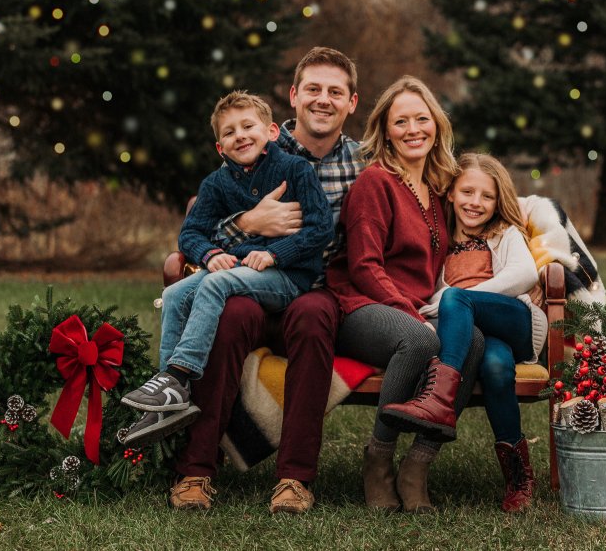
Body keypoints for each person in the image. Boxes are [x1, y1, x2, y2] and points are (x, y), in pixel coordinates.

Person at [169, 47, 361, 514]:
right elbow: (197, 227)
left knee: (316, 316)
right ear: (293, 98)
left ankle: (294, 478)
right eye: (313, 89)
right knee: (231, 314)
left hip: (312, 288)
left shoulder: (367, 162)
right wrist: (248, 225)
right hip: (247, 285)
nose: (323, 100)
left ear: (351, 103)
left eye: (335, 92)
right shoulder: (252, 149)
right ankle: (195, 469)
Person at [120, 91, 334, 447]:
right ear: (220, 147)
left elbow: (320, 228)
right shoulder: (216, 183)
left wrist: (275, 254)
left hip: (287, 278)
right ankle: (169, 400)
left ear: (271, 131)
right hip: (236, 270)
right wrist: (208, 254)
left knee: (216, 285)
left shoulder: (296, 170)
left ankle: (179, 374)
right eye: (230, 132)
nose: (241, 136)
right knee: (175, 293)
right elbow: (190, 233)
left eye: (248, 126)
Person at [326, 76, 484, 513]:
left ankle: (418, 465)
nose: (413, 129)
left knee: (471, 340)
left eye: (422, 118)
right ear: (386, 130)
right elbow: (363, 267)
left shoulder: (437, 191)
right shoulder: (375, 183)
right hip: (362, 306)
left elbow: (489, 203)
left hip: (413, 308)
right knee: (420, 339)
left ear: (436, 125)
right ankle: (378, 460)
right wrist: (410, 313)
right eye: (401, 121)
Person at [380, 153, 545, 512]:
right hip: (480, 338)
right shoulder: (438, 241)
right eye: (467, 192)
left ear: (498, 201)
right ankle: (519, 478)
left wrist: (455, 301)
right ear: (451, 194)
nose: (476, 202)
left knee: (455, 298)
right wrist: (449, 306)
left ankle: (437, 399)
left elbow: (525, 275)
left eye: (487, 196)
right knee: (497, 368)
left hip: (513, 321)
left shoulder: (504, 233)